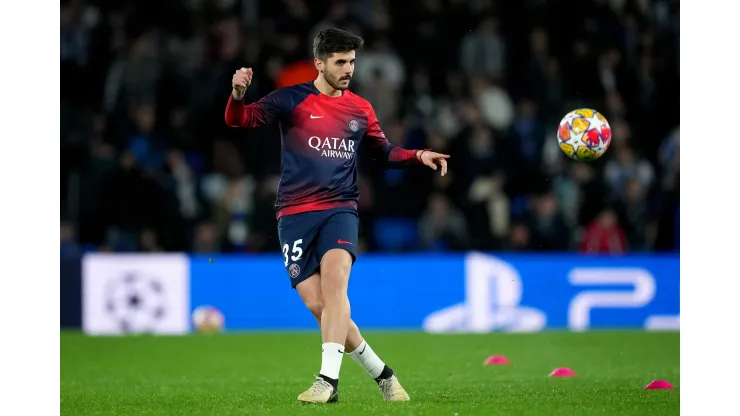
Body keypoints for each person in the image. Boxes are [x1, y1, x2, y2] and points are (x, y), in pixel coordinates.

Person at [225, 28, 450, 404]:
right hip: (294, 215)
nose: (348, 69)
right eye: (341, 62)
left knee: (335, 286)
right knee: (320, 305)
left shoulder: (359, 109)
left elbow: (384, 152)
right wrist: (236, 94)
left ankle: (327, 382)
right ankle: (385, 376)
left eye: (352, 62)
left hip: (340, 208)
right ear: (320, 63)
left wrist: (417, 155)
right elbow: (239, 121)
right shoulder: (292, 99)